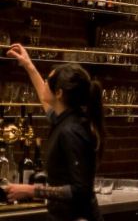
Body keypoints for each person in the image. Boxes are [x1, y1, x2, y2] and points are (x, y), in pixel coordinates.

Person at [5, 43, 105, 221]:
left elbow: (80, 190)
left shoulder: (71, 131)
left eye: (48, 82)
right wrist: (28, 65)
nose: (44, 84)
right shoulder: (67, 118)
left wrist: (29, 189)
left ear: (58, 93)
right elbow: (48, 106)